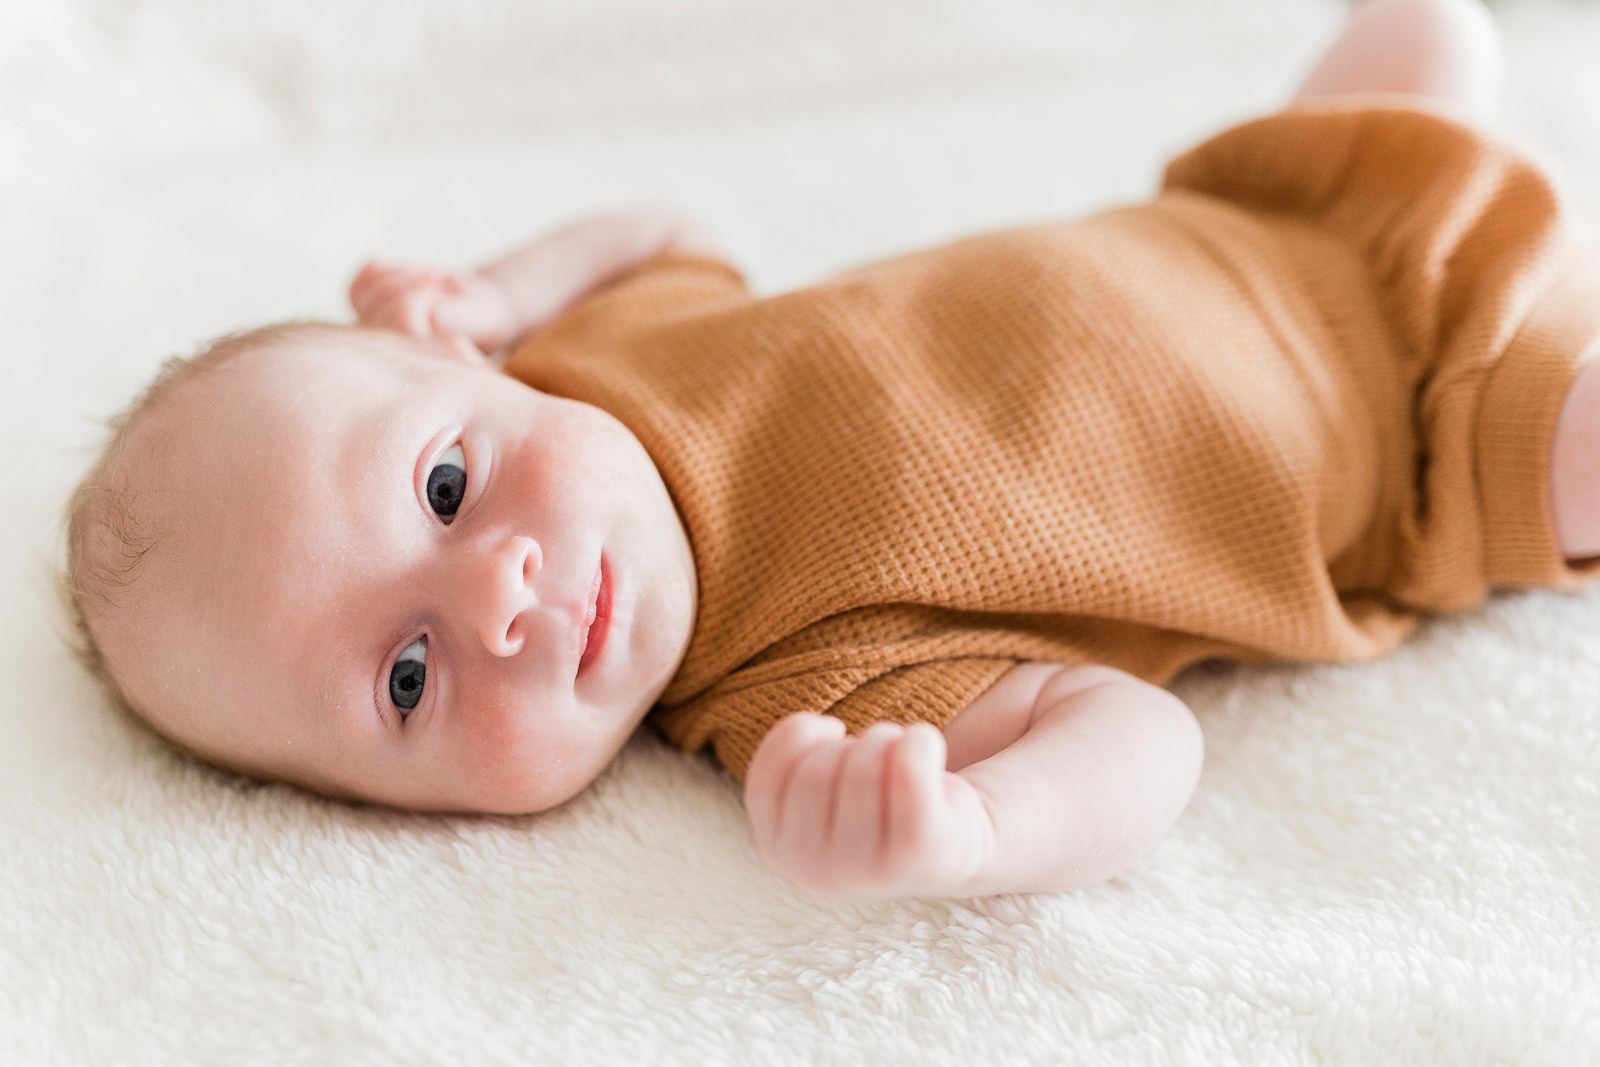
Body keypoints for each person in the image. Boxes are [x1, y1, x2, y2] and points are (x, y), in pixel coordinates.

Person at [64, 0, 1600, 899]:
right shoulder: (799, 694)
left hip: (1272, 214)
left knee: (1429, 29)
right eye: (408, 678)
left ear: (463, 364)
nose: (499, 598)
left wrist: (510, 285)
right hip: (1425, 442)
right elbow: (1145, 738)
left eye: (446, 489)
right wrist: (974, 828)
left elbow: (670, 224)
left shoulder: (592, 360)